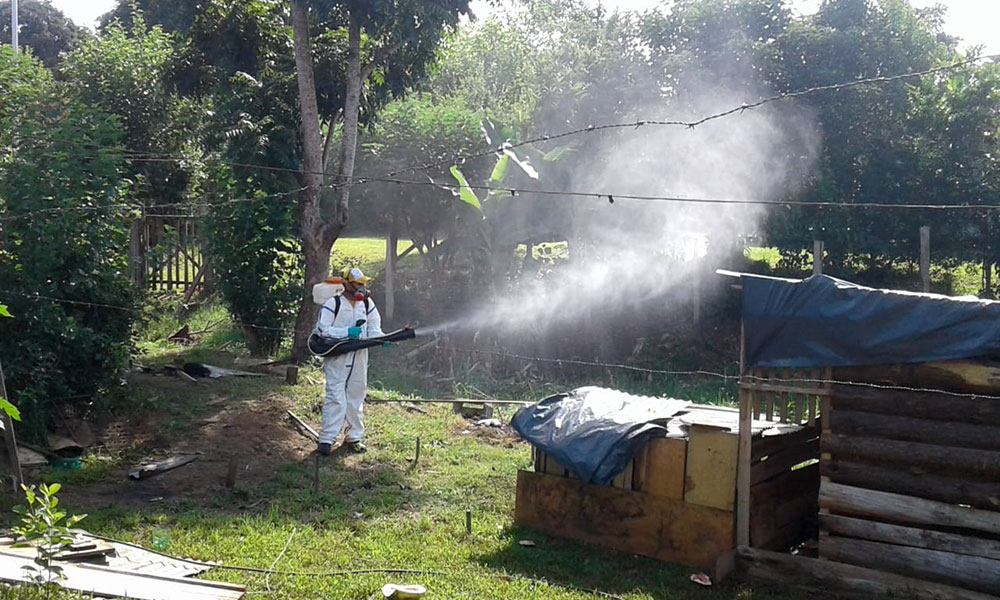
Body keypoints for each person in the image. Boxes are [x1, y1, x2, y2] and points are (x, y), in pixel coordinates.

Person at [314, 267, 385, 455]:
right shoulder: (333, 303)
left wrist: (383, 338)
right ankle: (327, 439)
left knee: (357, 393)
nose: (362, 287)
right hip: (338, 353)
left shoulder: (367, 304)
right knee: (336, 396)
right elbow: (323, 330)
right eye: (358, 284)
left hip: (360, 354)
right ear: (346, 284)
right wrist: (346, 333)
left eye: (364, 284)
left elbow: (374, 327)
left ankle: (354, 436)